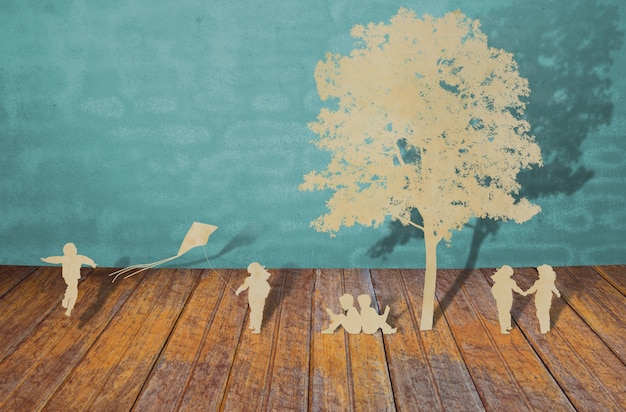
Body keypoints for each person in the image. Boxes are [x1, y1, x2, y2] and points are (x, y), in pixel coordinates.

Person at [41, 242, 97, 316]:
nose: (75, 250)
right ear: (66, 252)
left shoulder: (78, 258)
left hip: (73, 277)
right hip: (68, 278)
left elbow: (86, 260)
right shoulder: (65, 258)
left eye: (75, 249)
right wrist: (47, 260)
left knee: (72, 289)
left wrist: (92, 263)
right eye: (73, 249)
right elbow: (55, 259)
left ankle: (67, 303)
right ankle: (69, 307)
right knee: (73, 290)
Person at [236, 262, 271, 334]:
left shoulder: (262, 280)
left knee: (258, 313)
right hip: (252, 299)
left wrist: (263, 295)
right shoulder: (249, 279)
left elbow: (267, 288)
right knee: (253, 311)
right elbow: (244, 286)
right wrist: (238, 290)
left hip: (259, 299)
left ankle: (257, 328)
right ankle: (252, 324)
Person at [525, 264, 561, 334]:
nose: (539, 274)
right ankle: (546, 326)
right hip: (543, 298)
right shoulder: (544, 282)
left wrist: (526, 292)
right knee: (544, 312)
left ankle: (544, 327)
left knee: (541, 312)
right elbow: (554, 289)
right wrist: (557, 293)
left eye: (540, 273)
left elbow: (533, 289)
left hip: (542, 299)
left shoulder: (541, 282)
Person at [490, 265, 526, 334]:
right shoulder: (501, 282)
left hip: (508, 299)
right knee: (503, 313)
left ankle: (507, 325)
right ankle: (503, 329)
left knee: (506, 312)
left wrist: (522, 292)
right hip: (502, 299)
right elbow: (494, 290)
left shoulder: (510, 281)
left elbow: (516, 288)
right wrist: (497, 297)